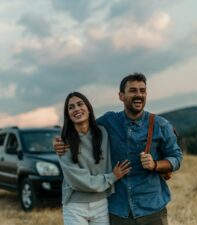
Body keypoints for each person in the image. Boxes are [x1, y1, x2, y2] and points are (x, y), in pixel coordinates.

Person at [54, 73, 183, 225]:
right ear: (121, 96)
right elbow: (83, 127)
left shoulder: (161, 125)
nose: (138, 95)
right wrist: (59, 141)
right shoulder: (109, 121)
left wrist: (155, 164)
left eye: (142, 91)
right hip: (118, 209)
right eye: (133, 90)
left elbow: (176, 157)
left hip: (152, 207)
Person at [58, 91, 131, 225]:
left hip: (101, 204)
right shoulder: (64, 143)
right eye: (71, 107)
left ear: (88, 109)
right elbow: (78, 181)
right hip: (75, 206)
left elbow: (128, 127)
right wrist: (112, 177)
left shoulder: (103, 133)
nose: (76, 109)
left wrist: (163, 127)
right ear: (68, 115)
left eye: (80, 104)